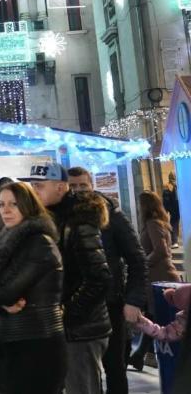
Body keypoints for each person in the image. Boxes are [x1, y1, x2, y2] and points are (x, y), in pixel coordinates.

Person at [22, 162, 111, 394]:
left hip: (81, 330)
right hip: (57, 327)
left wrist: (68, 312)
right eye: (33, 185)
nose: (35, 190)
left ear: (61, 187)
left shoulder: (80, 221)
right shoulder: (47, 220)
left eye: (40, 185)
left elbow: (99, 278)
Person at [0, 182, 66, 394]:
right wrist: (0, 302)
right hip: (12, 341)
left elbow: (6, 293)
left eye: (14, 204)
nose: (6, 210)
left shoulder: (39, 242)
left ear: (28, 205)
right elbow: (1, 297)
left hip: (38, 343)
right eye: (2, 204)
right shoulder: (7, 241)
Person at [67, 165, 148, 394]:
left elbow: (136, 258)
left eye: (83, 185)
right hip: (78, 305)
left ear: (91, 184)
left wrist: (133, 300)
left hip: (111, 302)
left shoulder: (111, 214)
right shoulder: (64, 217)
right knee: (83, 372)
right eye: (72, 186)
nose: (78, 191)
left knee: (114, 367)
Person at [129, 190, 182, 370]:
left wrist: (144, 263)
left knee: (155, 315)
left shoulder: (152, 223)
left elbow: (161, 250)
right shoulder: (158, 223)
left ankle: (143, 355)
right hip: (158, 275)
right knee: (153, 315)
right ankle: (143, 355)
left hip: (159, 275)